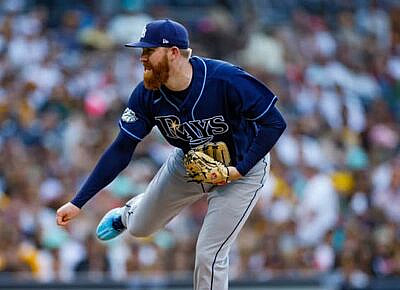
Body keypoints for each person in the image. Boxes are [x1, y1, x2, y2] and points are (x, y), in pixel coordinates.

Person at [56, 19, 286, 289]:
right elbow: (121, 149)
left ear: (174, 52)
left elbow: (274, 123)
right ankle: (128, 213)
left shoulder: (225, 79)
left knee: (209, 254)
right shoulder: (146, 95)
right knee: (141, 228)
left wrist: (241, 169)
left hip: (242, 171)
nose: (142, 58)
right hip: (190, 162)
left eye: (149, 51)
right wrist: (78, 202)